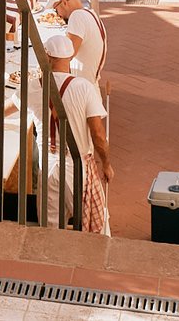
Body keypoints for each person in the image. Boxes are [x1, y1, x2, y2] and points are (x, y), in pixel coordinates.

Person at [44, 29, 112, 235]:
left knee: (50, 229)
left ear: (47, 57)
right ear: (70, 57)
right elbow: (98, 135)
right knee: (98, 232)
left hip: (47, 166)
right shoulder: (84, 87)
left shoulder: (33, 86)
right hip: (76, 168)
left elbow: (10, 106)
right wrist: (106, 164)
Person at [47, 0, 107, 81]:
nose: (58, 15)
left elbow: (65, 56)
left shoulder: (77, 16)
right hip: (88, 83)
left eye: (56, 10)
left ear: (64, 2)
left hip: (82, 85)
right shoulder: (90, 13)